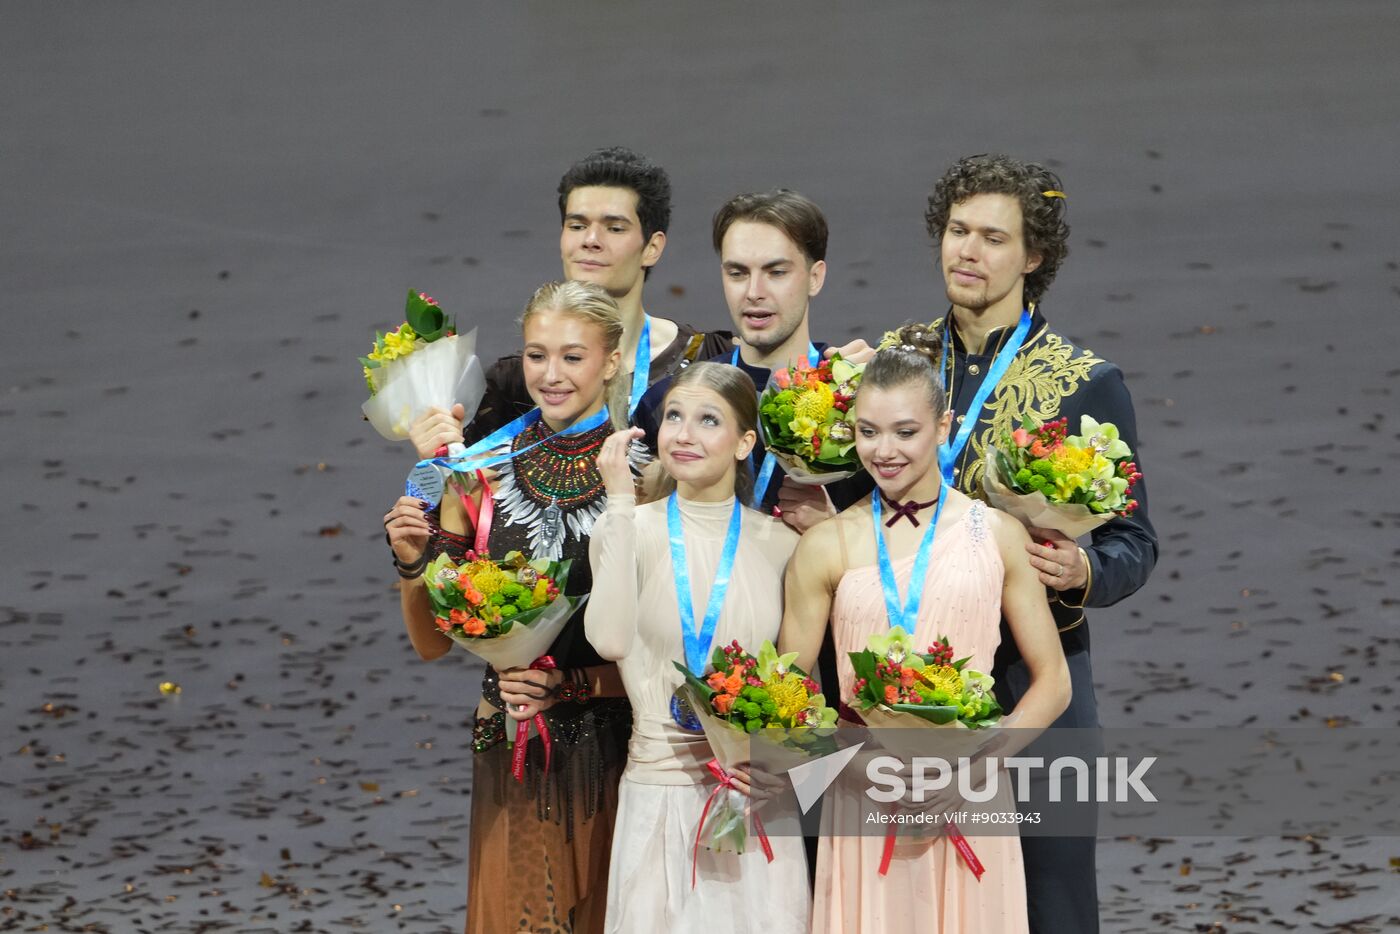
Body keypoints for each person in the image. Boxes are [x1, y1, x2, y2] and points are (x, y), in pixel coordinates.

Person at [902, 154, 1159, 933]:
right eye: (956, 231)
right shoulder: (899, 361)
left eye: (992, 237)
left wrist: (1082, 566)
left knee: (1053, 907)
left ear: (1034, 257)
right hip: (907, 674)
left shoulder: (1087, 380)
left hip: (1035, 680)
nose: (967, 251)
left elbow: (1134, 542)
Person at [780, 331, 1071, 933]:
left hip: (971, 790)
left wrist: (976, 768)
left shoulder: (997, 534)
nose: (884, 451)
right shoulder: (825, 544)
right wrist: (850, 761)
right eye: (867, 431)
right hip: (863, 793)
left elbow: (1054, 682)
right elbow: (789, 692)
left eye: (905, 432)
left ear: (942, 428)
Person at [384, 280, 633, 933]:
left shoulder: (644, 472)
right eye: (536, 355)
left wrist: (573, 683)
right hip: (514, 744)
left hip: (621, 750)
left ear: (610, 360)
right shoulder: (477, 469)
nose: (551, 375)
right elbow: (432, 643)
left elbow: (668, 643)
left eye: (573, 357)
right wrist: (414, 562)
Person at [585, 361, 809, 933]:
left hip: (754, 799)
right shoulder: (628, 528)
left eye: (708, 420)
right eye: (674, 418)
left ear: (745, 443)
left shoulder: (784, 546)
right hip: (658, 793)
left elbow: (805, 693)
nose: (683, 434)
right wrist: (616, 504)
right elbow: (609, 640)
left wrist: (783, 768)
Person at [414, 147, 732, 458]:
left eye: (614, 228)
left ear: (652, 247)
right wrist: (436, 464)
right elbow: (472, 504)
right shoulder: (512, 386)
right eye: (577, 225)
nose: (590, 240)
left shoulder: (710, 360)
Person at [633, 188, 873, 526]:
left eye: (776, 272)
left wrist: (834, 533)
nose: (754, 292)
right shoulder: (668, 403)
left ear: (815, 277)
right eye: (737, 273)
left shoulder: (858, 401)